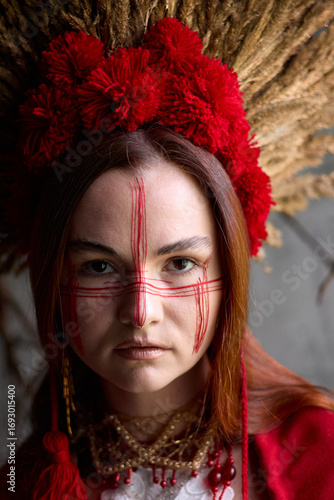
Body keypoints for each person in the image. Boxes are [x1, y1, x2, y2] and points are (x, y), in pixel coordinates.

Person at [0, 13, 334, 500]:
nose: (140, 311)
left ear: (230, 271)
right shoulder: (22, 484)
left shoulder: (317, 459)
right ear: (52, 279)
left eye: (179, 264)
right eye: (99, 266)